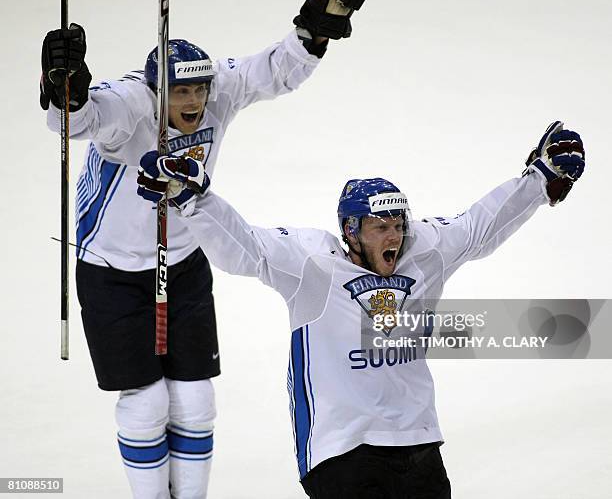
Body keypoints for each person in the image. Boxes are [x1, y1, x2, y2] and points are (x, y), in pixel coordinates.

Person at [136, 121, 585, 498]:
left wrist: (541, 179)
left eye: (397, 226)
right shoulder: (312, 265)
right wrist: (195, 199)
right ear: (351, 231)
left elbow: (481, 224)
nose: (393, 237)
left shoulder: (425, 251)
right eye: (379, 228)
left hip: (419, 442)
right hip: (341, 450)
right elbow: (245, 248)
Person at [40, 0, 368, 497]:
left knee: (195, 401)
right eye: (181, 93)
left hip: (184, 262)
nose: (194, 102)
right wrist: (67, 90)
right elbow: (80, 121)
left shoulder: (218, 92)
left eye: (200, 90)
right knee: (146, 403)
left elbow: (276, 69)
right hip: (112, 271)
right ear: (156, 91)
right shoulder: (131, 104)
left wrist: (317, 29)